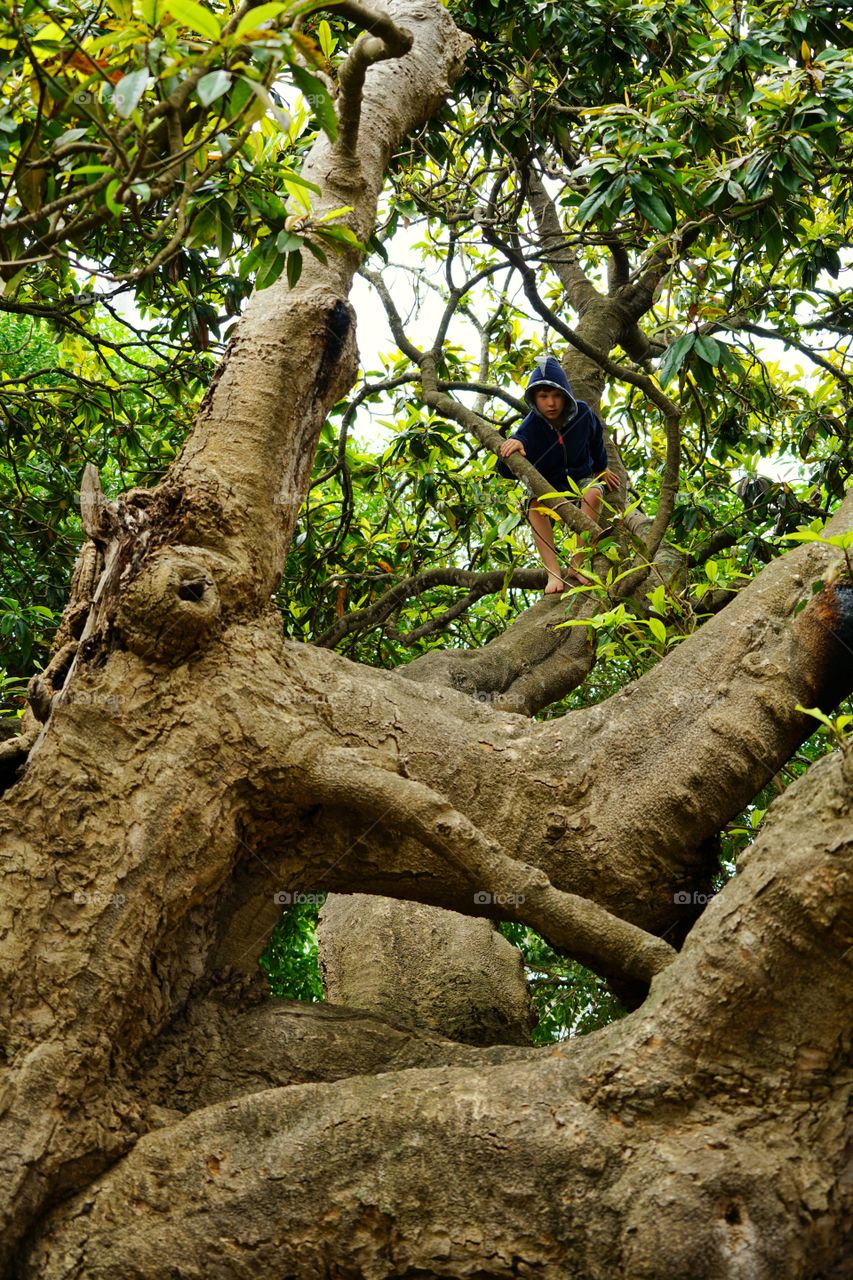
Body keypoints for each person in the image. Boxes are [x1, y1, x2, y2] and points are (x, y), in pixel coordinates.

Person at [497, 356, 620, 594]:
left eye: (556, 396)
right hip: (548, 486)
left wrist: (601, 468)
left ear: (565, 395)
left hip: (580, 478)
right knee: (534, 507)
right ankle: (553, 572)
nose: (551, 403)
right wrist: (513, 449)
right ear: (534, 399)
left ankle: (577, 563)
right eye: (543, 397)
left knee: (594, 493)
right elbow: (505, 468)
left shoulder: (583, 413)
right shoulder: (531, 424)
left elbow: (596, 441)